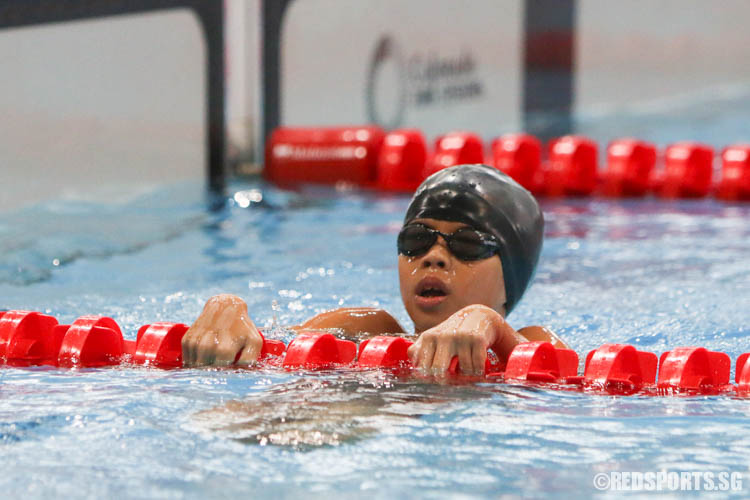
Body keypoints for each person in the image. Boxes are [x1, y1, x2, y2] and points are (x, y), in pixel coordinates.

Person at [182, 164, 568, 375]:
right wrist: (229, 311)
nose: (433, 257)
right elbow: (264, 350)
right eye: (416, 240)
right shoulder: (365, 331)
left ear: (511, 277)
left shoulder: (531, 343)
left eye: (467, 244)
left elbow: (564, 386)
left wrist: (489, 323)